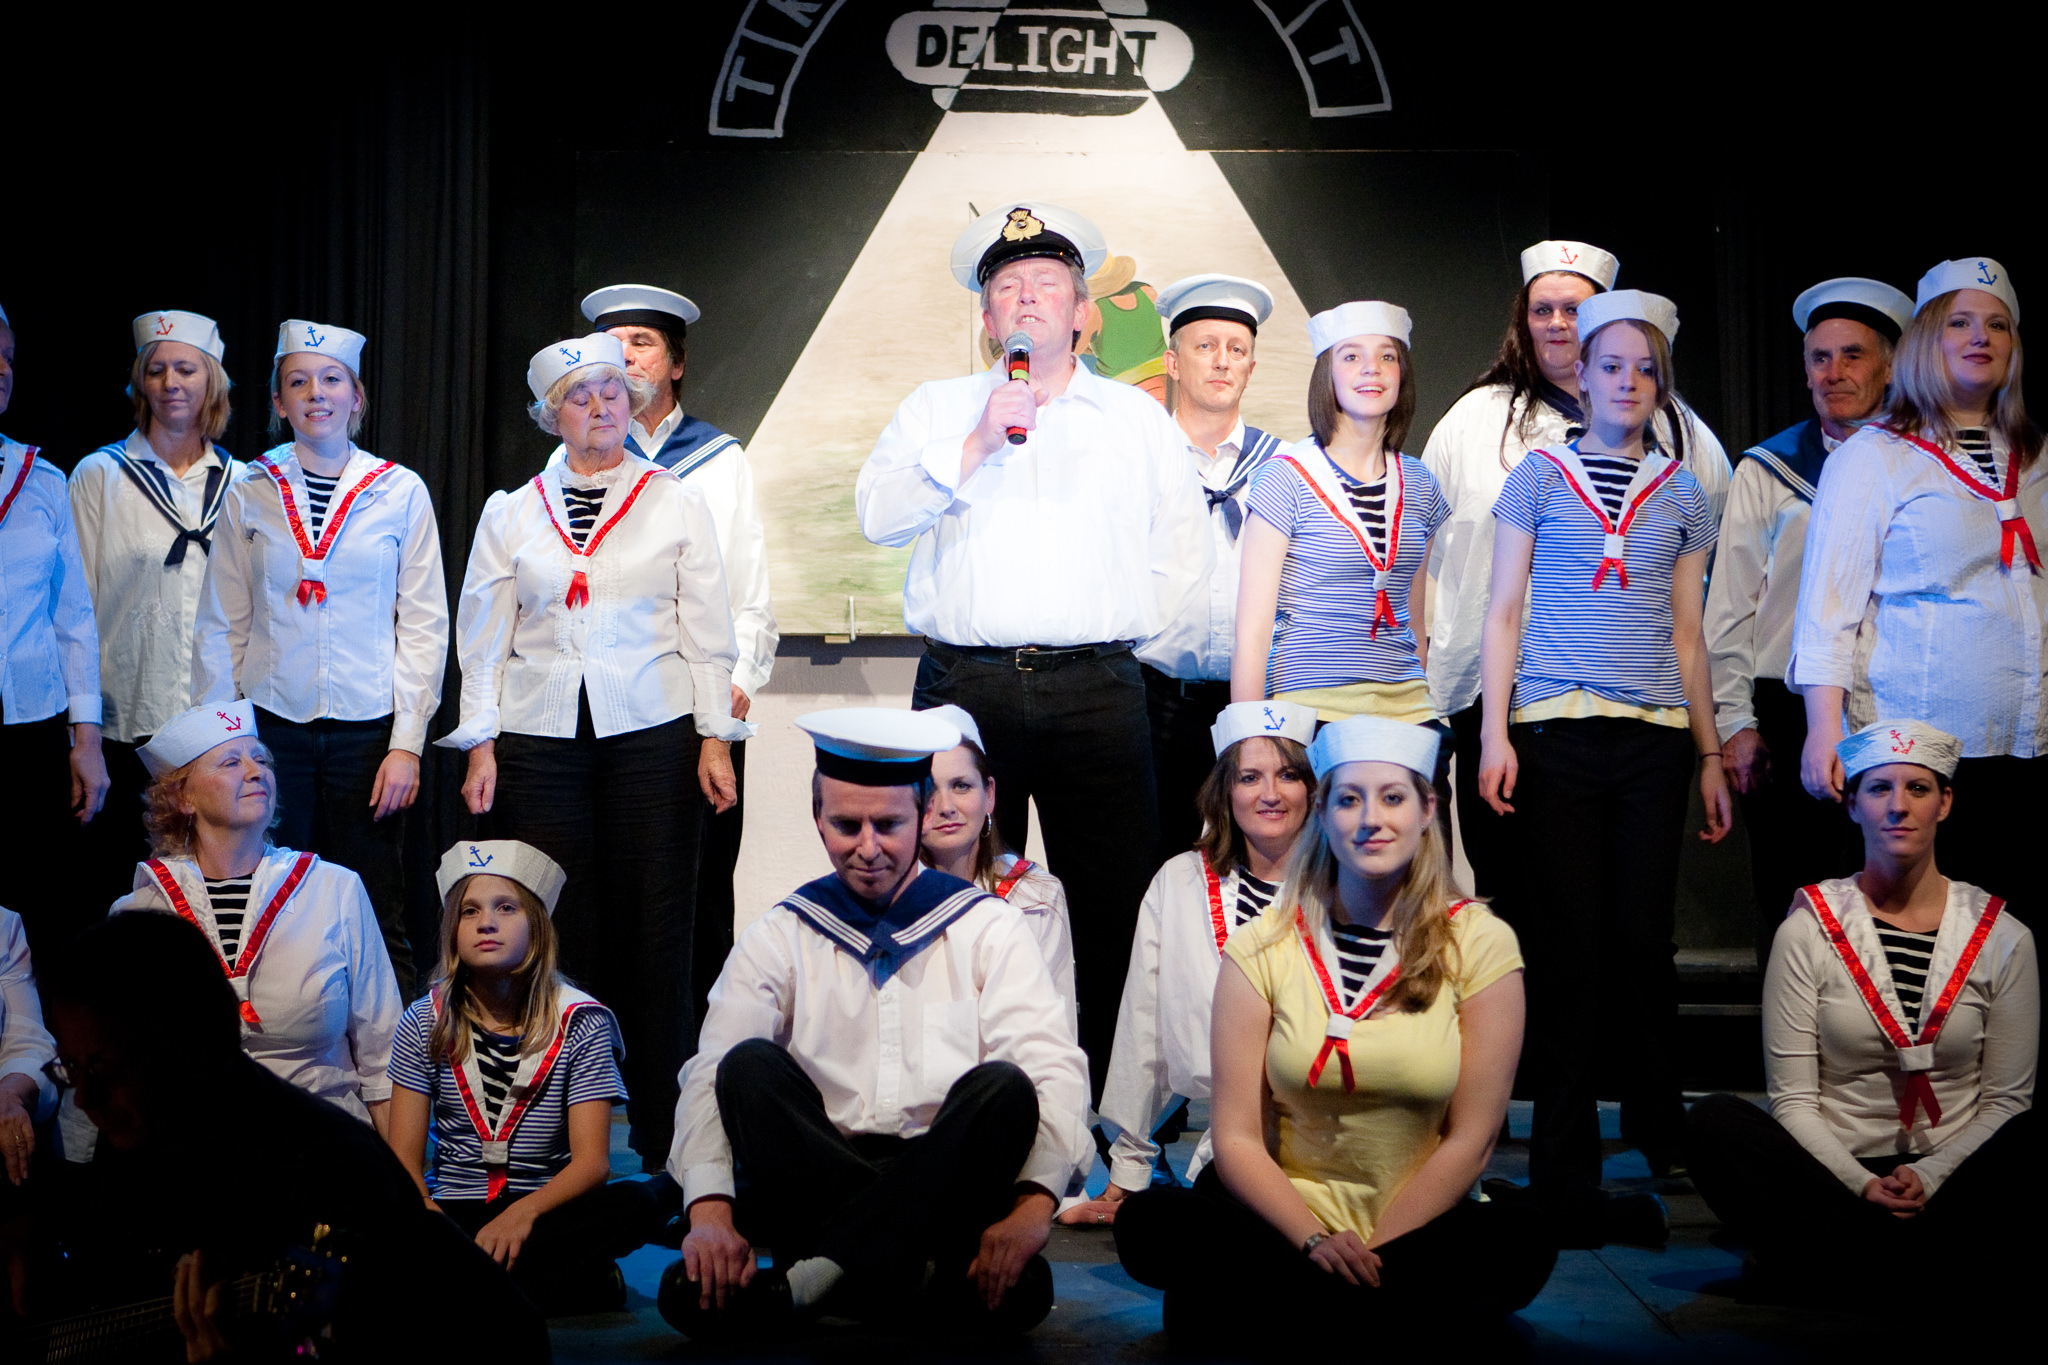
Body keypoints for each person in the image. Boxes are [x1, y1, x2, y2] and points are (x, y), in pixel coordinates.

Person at [855, 201, 1208, 1091]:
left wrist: (1127, 655)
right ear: (985, 316)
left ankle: (1114, 1111)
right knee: (952, 892)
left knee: (1113, 901)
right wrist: (976, 442)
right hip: (964, 689)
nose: (1026, 297)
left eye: (1047, 283)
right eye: (1008, 285)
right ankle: (956, 1091)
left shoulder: (1134, 419)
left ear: (1083, 311)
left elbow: (1180, 556)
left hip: (1099, 687)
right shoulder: (937, 408)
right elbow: (879, 515)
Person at [1112, 716, 1551, 1347]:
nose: (1371, 819)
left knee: (1522, 1238)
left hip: (1419, 1227)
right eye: (1349, 800)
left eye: (1392, 797)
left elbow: (1472, 1140)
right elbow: (1236, 1137)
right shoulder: (1262, 946)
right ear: (1323, 813)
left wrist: (1376, 1253)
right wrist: (1316, 1241)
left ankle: (1302, 1313)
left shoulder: (1479, 942)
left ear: (1428, 809)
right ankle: (1384, 1319)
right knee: (1151, 1223)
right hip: (1287, 1226)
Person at [660, 708, 1089, 1342]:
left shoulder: (988, 925)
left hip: (949, 1174)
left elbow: (1050, 1066)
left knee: (1004, 1088)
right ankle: (915, 1277)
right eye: (846, 825)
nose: (867, 848)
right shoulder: (781, 932)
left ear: (921, 815)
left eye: (888, 825)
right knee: (744, 1067)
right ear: (818, 819)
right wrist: (710, 1214)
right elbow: (709, 1073)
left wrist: (1031, 1209)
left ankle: (819, 1282)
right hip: (818, 1179)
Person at [441, 332, 746, 1171]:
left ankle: (669, 1142)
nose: (602, 406)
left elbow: (707, 630)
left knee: (658, 932)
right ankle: (559, 1140)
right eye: (581, 395)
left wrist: (715, 738)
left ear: (634, 402)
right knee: (556, 931)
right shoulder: (510, 511)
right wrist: (480, 742)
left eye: (614, 391)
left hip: (653, 734)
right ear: (552, 416)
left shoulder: (674, 500)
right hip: (539, 742)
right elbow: (483, 639)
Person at [1477, 288, 1732, 1242]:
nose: (1628, 382)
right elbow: (1503, 610)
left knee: (1641, 943)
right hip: (1555, 733)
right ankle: (1562, 1165)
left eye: (1645, 369)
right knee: (1567, 948)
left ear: (1662, 382)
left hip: (1655, 738)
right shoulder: (1537, 476)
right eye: (1612, 365)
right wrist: (1495, 732)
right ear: (1581, 373)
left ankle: (1664, 1138)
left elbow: (1689, 633)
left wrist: (1709, 751)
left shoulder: (1684, 491)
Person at [18, 911, 548, 1358]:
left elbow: (502, 1336)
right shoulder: (136, 1140)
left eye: (103, 1069)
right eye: (72, 1069)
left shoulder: (332, 1170)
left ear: (184, 1046)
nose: (84, 1099)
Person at [1686, 720, 2037, 1299]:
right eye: (1878, 789)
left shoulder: (2004, 936)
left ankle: (1842, 1265)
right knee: (1712, 1122)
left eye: (1918, 788)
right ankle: (1921, 1266)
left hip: (1953, 1175)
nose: (1899, 806)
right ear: (1852, 805)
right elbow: (1794, 1100)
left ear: (1945, 802)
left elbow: (2007, 1103)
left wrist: (1927, 1176)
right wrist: (1860, 1184)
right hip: (1833, 1174)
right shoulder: (1808, 930)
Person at [1423, 241, 1729, 899]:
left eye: (1574, 310)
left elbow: (1706, 556)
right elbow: (1433, 552)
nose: (1557, 324)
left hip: (1629, 695)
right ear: (1523, 319)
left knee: (1624, 904)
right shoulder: (1473, 420)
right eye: (1543, 310)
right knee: (1513, 890)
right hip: (1493, 689)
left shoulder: (1681, 432)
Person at [192, 319, 447, 998]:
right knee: (269, 897)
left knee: (376, 903)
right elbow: (223, 621)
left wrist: (407, 744)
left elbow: (424, 625)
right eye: (298, 382)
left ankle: (392, 1054)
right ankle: (270, 1040)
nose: (316, 394)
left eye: (331, 380)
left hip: (369, 735)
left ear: (356, 396)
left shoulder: (400, 490)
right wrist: (225, 742)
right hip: (271, 730)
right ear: (279, 402)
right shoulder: (249, 487)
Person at [1792, 257, 2045, 925]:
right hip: (1920, 753)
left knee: (2016, 936)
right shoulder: (1875, 454)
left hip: (2027, 742)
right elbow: (1827, 609)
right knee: (1933, 932)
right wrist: (1824, 730)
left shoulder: (2036, 455)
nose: (1980, 336)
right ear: (1926, 340)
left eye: (1997, 325)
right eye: (1959, 323)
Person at [60, 700, 401, 1161]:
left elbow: (384, 1057)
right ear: (183, 798)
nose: (257, 771)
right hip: (189, 1157)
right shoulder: (140, 912)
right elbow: (103, 1056)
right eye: (231, 762)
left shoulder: (333, 889)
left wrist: (408, 1185)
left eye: (262, 759)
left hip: (319, 1150)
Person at [576, 284, 778, 1027]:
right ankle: (597, 1058)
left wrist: (737, 686)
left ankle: (700, 1060)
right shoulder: (575, 460)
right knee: (606, 892)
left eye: (643, 342)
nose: (627, 357)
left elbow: (750, 589)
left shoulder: (719, 459)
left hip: (702, 710)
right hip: (610, 709)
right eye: (614, 345)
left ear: (677, 363)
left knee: (700, 893)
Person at [1705, 278, 1913, 965]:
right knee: (1794, 902)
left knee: (1892, 903)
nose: (1834, 372)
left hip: (1894, 703)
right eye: (1820, 358)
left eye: (1853, 355)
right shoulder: (1770, 469)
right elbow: (1729, 608)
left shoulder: (1924, 467)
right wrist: (1736, 722)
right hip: (1788, 708)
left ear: (1891, 365)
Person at [389, 839, 664, 1314]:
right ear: (452, 930)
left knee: (638, 1204)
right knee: (379, 1219)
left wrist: (520, 1215)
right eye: (470, 911)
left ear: (537, 926)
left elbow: (592, 1164)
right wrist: (433, 1225)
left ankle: (472, 1290)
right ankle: (564, 1283)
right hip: (455, 1208)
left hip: (546, 1208)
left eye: (506, 908)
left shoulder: (581, 1021)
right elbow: (403, 1164)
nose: (486, 922)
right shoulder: (423, 1019)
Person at [1077, 698, 1316, 1224]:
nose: (1270, 794)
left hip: (1328, 1138)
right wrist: (1130, 1166)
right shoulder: (1180, 880)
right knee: (1150, 1228)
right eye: (1250, 777)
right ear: (1225, 790)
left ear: (1313, 788)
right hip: (1230, 1147)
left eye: (1289, 775)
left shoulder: (1344, 884)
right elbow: (1145, 1027)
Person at [1233, 301, 1452, 827]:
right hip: (1312, 715)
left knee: (1421, 871)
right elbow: (1253, 631)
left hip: (1409, 716)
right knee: (1325, 874)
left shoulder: (1420, 482)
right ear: (1325, 375)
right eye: (1351, 356)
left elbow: (1414, 618)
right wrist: (1251, 739)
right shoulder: (1285, 476)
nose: (1371, 369)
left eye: (1387, 356)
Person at [71, 310, 243, 913]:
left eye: (186, 370)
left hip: (212, 720)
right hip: (123, 719)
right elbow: (74, 610)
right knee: (118, 890)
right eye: (157, 370)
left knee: (207, 890)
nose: (171, 383)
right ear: (140, 382)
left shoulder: (242, 482)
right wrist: (81, 732)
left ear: (211, 380)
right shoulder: (99, 476)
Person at [1136, 275, 1284, 862]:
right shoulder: (1140, 460)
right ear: (1173, 362)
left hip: (1262, 701)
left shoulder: (1285, 466)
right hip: (1157, 701)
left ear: (1250, 366)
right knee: (1156, 863)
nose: (1223, 361)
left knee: (1264, 863)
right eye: (1205, 346)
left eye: (1236, 349)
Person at [0, 299, 110, 952]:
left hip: (29, 728)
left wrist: (86, 738)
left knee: (36, 905)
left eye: (8, 357)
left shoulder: (40, 478)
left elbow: (73, 619)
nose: (2, 370)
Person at [917, 702, 1077, 1034]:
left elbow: (1052, 1033)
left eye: (961, 786)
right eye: (928, 790)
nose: (946, 807)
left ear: (989, 794)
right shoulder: (886, 897)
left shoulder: (1035, 894)